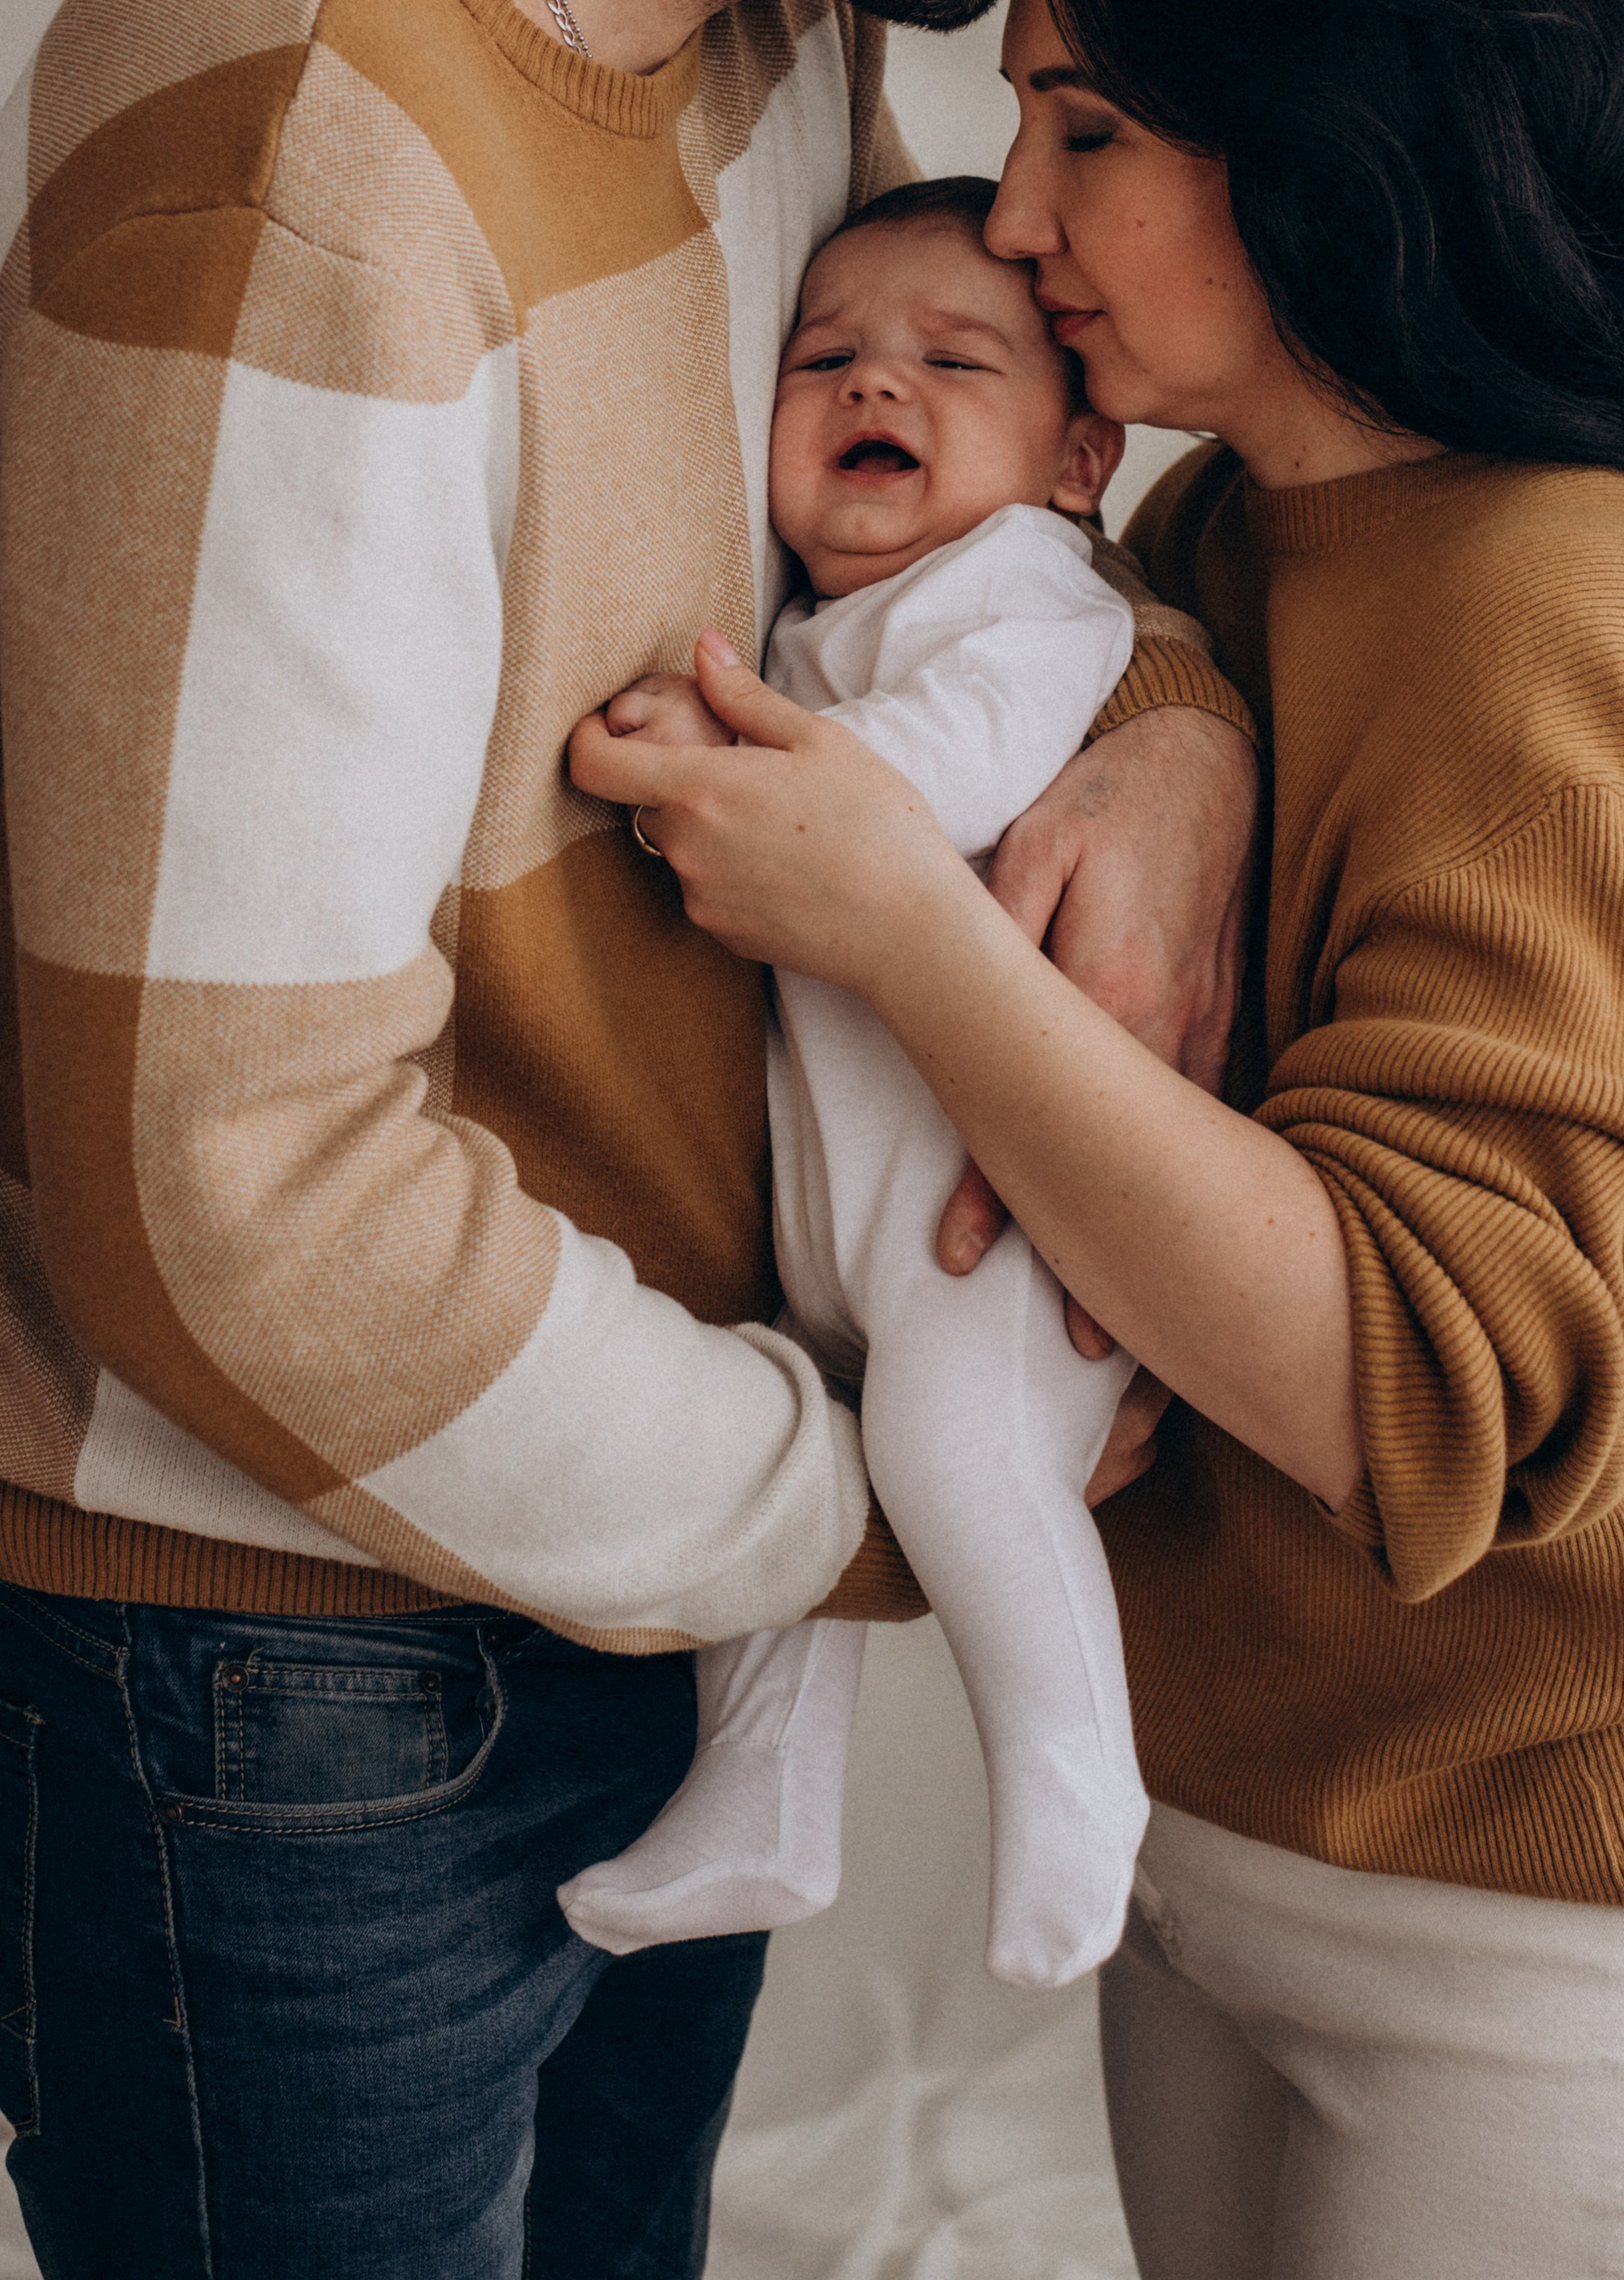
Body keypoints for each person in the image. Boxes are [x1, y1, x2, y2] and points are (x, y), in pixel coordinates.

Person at [0, 0, 1260, 2280]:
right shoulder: (306, 166)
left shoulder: (755, 30)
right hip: (280, 1677)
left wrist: (1162, 719)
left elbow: (949, 502)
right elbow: (236, 1197)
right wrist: (865, 1490)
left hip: (618, 1565)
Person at [579, 0, 1624, 2280]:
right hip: (1241, 1863)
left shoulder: (1579, 596)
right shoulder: (1230, 529)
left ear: (1324, 121)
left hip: (1592, 1911)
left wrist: (899, 923)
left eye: (1087, 127)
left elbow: (1387, 1381)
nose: (1018, 208)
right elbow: (1155, 658)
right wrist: (1181, 736)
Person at [562, 178, 1149, 1990]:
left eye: (949, 360)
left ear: (1076, 459)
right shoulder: (817, 619)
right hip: (842, 1231)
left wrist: (709, 767)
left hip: (1003, 1233)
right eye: (824, 360)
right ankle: (763, 1803)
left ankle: (1075, 1779)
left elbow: (943, 777)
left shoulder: (1033, 595)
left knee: (954, 1450)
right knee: (784, 1449)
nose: (872, 385)